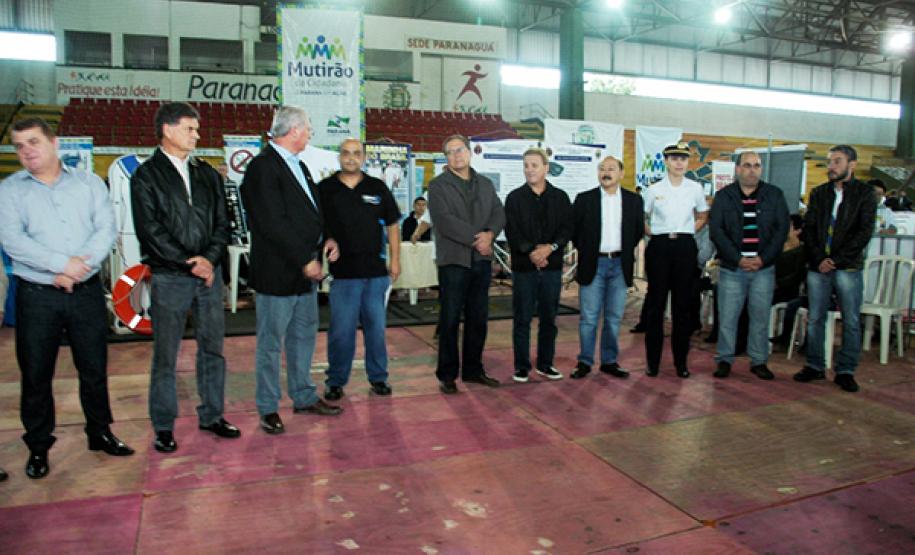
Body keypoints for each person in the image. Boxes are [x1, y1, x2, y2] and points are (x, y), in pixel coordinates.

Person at [0, 118, 133, 479]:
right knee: (36, 373)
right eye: (20, 146)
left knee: (93, 368)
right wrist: (62, 265)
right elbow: (13, 242)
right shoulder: (10, 190)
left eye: (33, 142)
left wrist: (78, 268)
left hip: (85, 294)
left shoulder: (89, 183)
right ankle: (39, 446)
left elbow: (105, 229)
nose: (27, 151)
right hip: (36, 295)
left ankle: (100, 431)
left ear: (54, 143)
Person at [131, 102, 240, 452]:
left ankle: (212, 414)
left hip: (208, 277)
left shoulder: (207, 174)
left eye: (197, 128)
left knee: (213, 349)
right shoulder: (146, 176)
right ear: (167, 129)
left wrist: (208, 260)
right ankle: (163, 425)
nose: (196, 134)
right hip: (170, 277)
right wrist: (188, 263)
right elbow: (150, 231)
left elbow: (222, 224)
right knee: (166, 354)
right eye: (189, 128)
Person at [240, 106, 343, 435]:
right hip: (278, 272)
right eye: (308, 128)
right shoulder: (262, 168)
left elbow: (313, 212)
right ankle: (268, 407)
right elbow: (272, 223)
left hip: (304, 273)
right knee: (271, 343)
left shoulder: (299, 166)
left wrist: (327, 237)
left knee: (303, 336)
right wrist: (304, 259)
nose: (310, 133)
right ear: (294, 130)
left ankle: (303, 394)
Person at [320, 138, 401, 400]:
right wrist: (327, 240)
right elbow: (314, 225)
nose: (351, 158)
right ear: (339, 156)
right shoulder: (326, 189)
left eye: (356, 153)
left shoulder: (377, 187)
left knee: (376, 330)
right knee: (341, 331)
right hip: (343, 275)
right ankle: (335, 380)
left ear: (364, 157)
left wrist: (396, 260)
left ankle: (379, 378)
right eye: (346, 153)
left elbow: (392, 225)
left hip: (376, 274)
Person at [795, 145, 876, 393]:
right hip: (818, 266)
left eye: (837, 162)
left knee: (851, 320)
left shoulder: (865, 194)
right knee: (816, 317)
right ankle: (815, 365)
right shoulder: (819, 193)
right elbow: (808, 229)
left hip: (848, 267)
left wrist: (837, 260)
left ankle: (846, 370)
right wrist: (820, 258)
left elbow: (864, 232)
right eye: (830, 162)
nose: (831, 167)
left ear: (852, 165)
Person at [428, 135, 505, 394]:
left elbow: (498, 212)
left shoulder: (485, 184)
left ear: (470, 153)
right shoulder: (438, 186)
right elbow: (444, 220)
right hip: (454, 261)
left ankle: (473, 370)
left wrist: (490, 235)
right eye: (450, 152)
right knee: (449, 319)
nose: (456, 155)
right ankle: (447, 374)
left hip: (481, 262)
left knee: (478, 318)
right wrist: (478, 239)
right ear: (446, 158)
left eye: (460, 150)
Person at [709, 151, 790, 380]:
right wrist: (737, 259)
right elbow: (717, 231)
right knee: (727, 318)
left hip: (763, 269)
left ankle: (759, 361)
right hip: (732, 268)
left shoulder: (774, 195)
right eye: (747, 165)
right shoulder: (724, 197)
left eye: (756, 165)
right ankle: (724, 359)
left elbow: (781, 231)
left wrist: (763, 259)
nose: (752, 170)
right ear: (738, 169)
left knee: (760, 317)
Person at [569, 156, 644, 380]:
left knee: (614, 318)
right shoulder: (585, 199)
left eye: (611, 169)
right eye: (602, 169)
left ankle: (609, 361)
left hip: (620, 265)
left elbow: (637, 230)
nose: (606, 172)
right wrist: (590, 251)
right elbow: (575, 231)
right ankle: (584, 361)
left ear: (621, 174)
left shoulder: (633, 200)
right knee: (589, 318)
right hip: (594, 264)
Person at [504, 148, 573, 382]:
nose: (529, 169)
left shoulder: (561, 197)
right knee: (522, 318)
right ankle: (521, 366)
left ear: (546, 168)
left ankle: (546, 363)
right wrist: (532, 252)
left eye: (534, 165)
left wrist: (550, 249)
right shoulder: (514, 198)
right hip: (524, 269)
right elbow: (512, 231)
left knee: (549, 318)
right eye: (526, 165)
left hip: (552, 268)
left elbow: (566, 229)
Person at [642, 142, 709, 378]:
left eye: (683, 158)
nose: (679, 162)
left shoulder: (695, 188)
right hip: (660, 247)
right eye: (674, 158)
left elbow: (702, 214)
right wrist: (653, 232)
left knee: (682, 307)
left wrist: (689, 229)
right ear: (666, 161)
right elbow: (643, 215)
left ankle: (681, 363)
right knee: (655, 305)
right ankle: (653, 362)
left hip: (684, 247)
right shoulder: (653, 189)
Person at [770, 214, 808, 350]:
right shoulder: (778, 247)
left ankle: (784, 339)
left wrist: (778, 283)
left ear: (798, 231)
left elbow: (797, 275)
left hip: (789, 290)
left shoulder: (802, 251)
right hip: (773, 286)